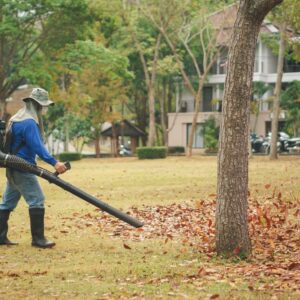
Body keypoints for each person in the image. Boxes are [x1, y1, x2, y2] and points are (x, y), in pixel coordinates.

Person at [0, 87, 67, 248]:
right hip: (23, 168)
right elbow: (37, 146)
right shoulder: (29, 122)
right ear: (36, 105)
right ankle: (38, 239)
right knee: (37, 200)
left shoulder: (17, 118)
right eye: (42, 106)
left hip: (13, 167)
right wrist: (54, 162)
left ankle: (0, 237)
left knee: (7, 203)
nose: (43, 109)